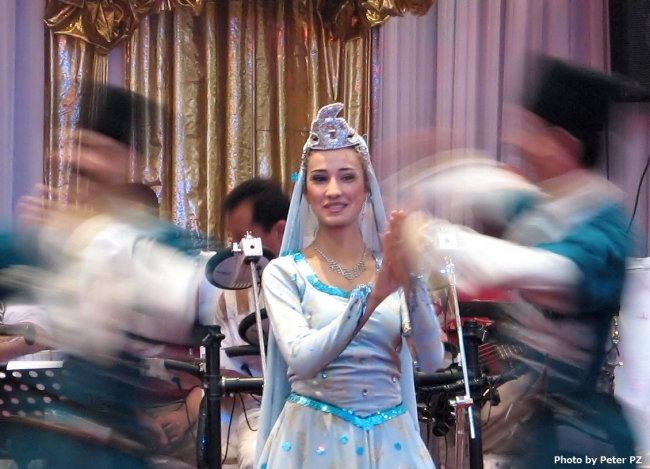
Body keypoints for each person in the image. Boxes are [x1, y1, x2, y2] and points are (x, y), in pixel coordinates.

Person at [401, 56, 637, 469]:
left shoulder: (605, 232)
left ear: (562, 144)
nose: (515, 141)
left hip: (588, 444)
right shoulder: (549, 204)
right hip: (541, 432)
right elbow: (487, 184)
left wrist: (427, 235)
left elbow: (537, 268)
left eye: (528, 130)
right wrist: (432, 167)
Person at [255, 103, 446, 469]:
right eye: (320, 178)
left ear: (367, 188)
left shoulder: (388, 267)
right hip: (312, 441)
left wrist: (412, 280)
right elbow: (302, 358)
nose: (333, 191)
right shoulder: (284, 272)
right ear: (306, 192)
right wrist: (373, 298)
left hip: (391, 442)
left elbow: (432, 360)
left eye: (346, 177)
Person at [209, 177, 289, 469]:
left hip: (313, 404)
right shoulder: (229, 297)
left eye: (244, 240)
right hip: (255, 409)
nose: (238, 252)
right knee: (260, 456)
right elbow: (221, 365)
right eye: (233, 242)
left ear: (280, 231)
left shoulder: (316, 282)